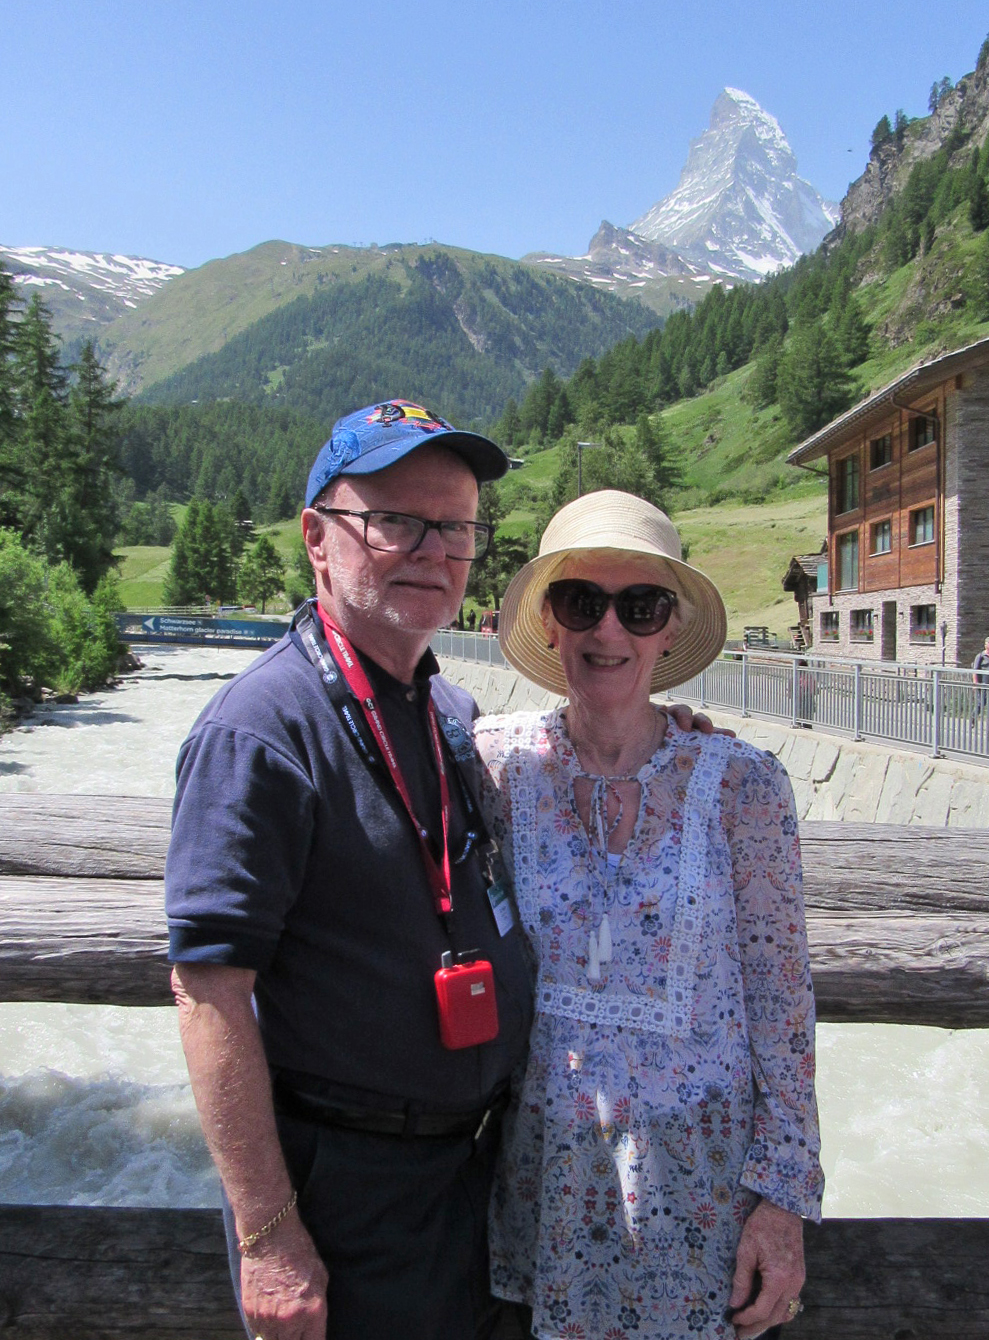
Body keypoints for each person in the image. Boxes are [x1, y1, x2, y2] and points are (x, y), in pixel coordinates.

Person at [165, 401, 714, 1340]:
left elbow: (583, 745)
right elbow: (208, 988)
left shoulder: (456, 715)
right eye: (396, 522)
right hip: (347, 1189)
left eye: (455, 526)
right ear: (317, 539)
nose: (433, 549)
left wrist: (673, 735)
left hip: (478, 1176)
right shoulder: (261, 733)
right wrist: (266, 1235)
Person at [472, 490, 823, 1340]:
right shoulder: (492, 769)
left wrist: (782, 1201)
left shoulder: (744, 784)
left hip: (699, 1201)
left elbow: (784, 1007)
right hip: (542, 1189)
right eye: (581, 601)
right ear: (549, 624)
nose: (609, 632)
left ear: (670, 630)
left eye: (641, 606)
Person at [972, 635, 989, 718]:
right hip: (982, 684)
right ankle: (973, 717)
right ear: (986, 645)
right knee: (981, 703)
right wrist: (975, 683)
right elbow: (975, 670)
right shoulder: (980, 656)